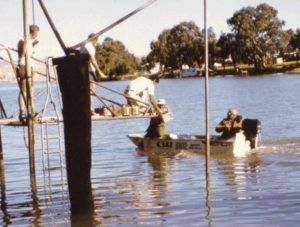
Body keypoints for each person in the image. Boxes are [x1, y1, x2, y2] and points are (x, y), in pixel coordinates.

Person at [80, 33, 107, 113]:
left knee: (85, 91)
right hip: (89, 70)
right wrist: (100, 72)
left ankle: (85, 108)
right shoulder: (90, 47)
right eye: (97, 41)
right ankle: (89, 109)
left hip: (82, 70)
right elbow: (92, 59)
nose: (97, 43)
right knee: (91, 91)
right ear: (95, 40)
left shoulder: (82, 45)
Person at [17, 24, 39, 120]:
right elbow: (22, 53)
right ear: (33, 32)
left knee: (31, 90)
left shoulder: (30, 41)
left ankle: (31, 111)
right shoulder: (23, 41)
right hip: (23, 66)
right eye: (36, 34)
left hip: (30, 66)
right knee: (23, 90)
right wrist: (26, 43)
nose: (37, 36)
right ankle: (21, 112)